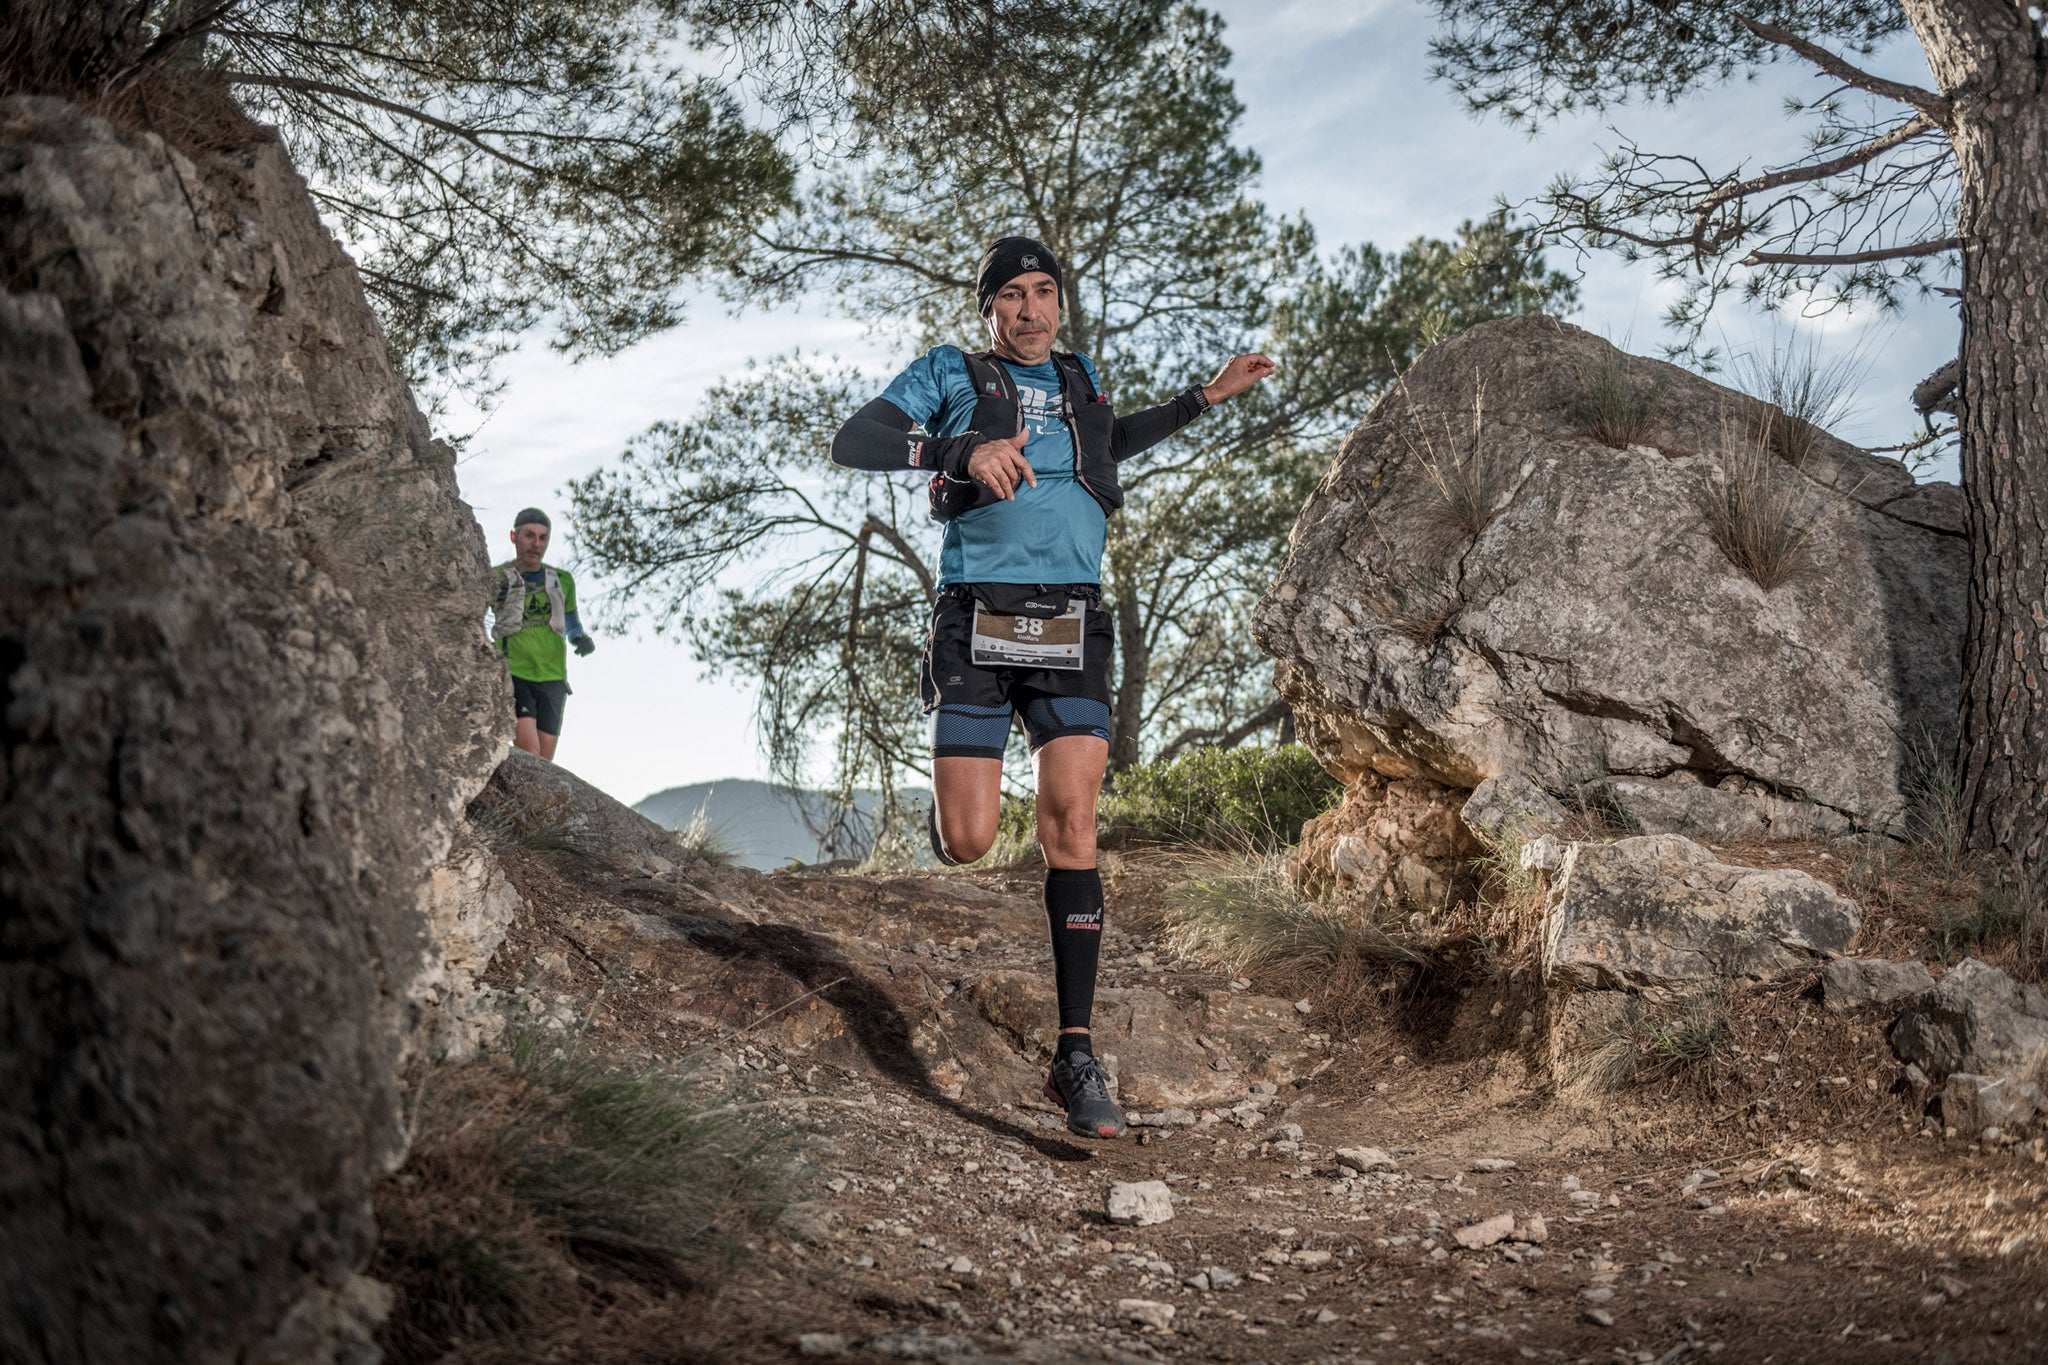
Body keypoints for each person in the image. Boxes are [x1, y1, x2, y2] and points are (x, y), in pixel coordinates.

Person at [829, 236, 1274, 1138]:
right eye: (1013, 298)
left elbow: (1109, 441)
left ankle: (1076, 1054)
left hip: (1072, 618)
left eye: (1044, 293)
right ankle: (956, 809)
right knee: (971, 838)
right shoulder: (951, 371)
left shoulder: (1080, 377)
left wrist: (1203, 398)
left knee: (1073, 817)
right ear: (988, 308)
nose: (1031, 311)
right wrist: (958, 452)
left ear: (1060, 303)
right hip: (977, 617)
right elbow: (856, 438)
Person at [487, 508, 595, 761]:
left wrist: (580, 638)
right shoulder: (497, 578)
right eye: (529, 535)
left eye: (543, 537)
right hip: (514, 674)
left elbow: (570, 622)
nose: (536, 544)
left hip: (553, 679)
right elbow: (470, 616)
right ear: (514, 537)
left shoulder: (562, 580)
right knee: (530, 753)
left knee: (543, 766)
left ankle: (516, 801)